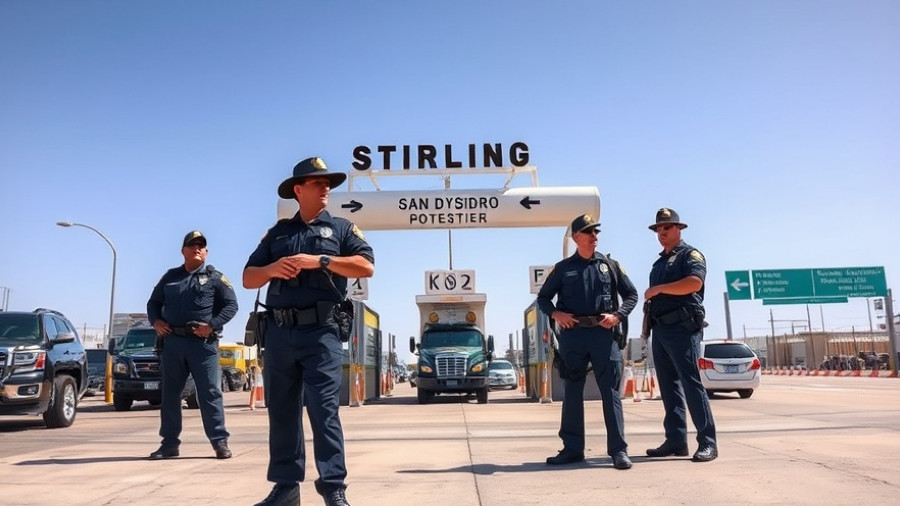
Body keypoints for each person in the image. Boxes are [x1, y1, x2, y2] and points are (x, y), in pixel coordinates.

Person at [243, 156, 375, 506]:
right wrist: (273, 267)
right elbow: (248, 277)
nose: (326, 187)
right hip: (280, 333)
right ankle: (286, 488)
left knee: (323, 408)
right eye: (318, 183)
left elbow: (366, 266)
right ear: (299, 190)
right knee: (282, 410)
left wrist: (321, 261)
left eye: (327, 183)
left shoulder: (344, 229)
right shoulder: (277, 233)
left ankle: (333, 488)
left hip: (322, 332)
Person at [537, 214, 638, 470]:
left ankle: (618, 451)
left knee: (611, 393)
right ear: (575, 238)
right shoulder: (562, 269)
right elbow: (544, 298)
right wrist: (556, 313)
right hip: (573, 337)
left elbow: (631, 295)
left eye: (596, 232)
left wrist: (618, 315)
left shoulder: (610, 265)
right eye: (588, 232)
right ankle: (572, 449)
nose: (594, 236)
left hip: (604, 336)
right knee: (572, 393)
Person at [147, 230, 238, 460]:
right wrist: (155, 321)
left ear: (206, 252)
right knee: (170, 396)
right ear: (183, 250)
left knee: (210, 393)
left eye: (201, 246)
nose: (197, 248)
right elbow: (153, 302)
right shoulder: (170, 277)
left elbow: (231, 305)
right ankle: (169, 445)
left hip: (202, 344)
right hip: (173, 343)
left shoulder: (215, 277)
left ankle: (219, 442)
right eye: (192, 245)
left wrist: (212, 324)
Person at [643, 208, 718, 462]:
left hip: (683, 329)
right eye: (658, 230)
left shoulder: (690, 255)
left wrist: (658, 289)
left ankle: (707, 442)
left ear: (679, 229)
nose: (661, 233)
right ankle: (676, 440)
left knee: (690, 383)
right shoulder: (659, 263)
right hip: (661, 329)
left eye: (667, 228)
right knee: (668, 386)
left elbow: (695, 283)